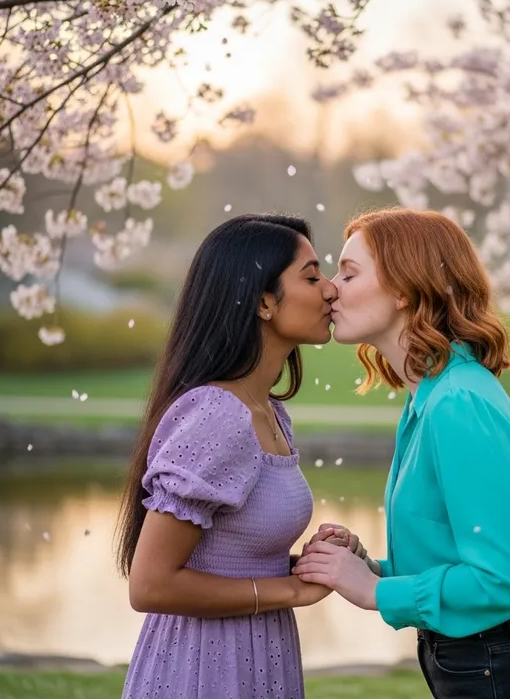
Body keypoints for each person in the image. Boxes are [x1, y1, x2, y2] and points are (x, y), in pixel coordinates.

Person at [293, 208, 510, 699]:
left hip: (506, 669)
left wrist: (375, 593)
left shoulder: (458, 403)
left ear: (405, 287)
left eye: (349, 273)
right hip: (486, 663)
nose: (330, 288)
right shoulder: (430, 399)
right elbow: (463, 558)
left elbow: (505, 579)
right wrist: (372, 569)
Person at [116, 214, 351, 699]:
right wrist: (289, 592)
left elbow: (225, 560)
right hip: (203, 670)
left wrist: (309, 566)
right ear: (264, 302)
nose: (330, 290)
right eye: (311, 276)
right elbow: (151, 585)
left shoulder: (269, 411)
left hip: (259, 653)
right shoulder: (218, 416)